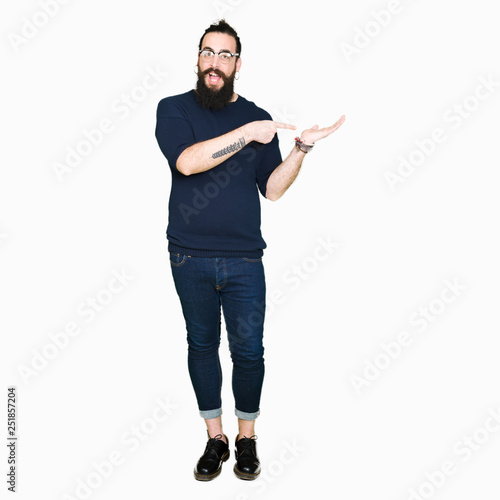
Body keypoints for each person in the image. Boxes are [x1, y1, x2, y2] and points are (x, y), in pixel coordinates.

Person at [155, 19, 345, 481]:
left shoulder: (258, 115)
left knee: (249, 352)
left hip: (244, 260)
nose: (214, 63)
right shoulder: (173, 109)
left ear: (238, 63)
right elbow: (187, 160)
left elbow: (273, 189)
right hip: (189, 256)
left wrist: (300, 148)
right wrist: (247, 134)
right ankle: (214, 438)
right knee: (201, 345)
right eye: (207, 53)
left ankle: (246, 438)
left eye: (225, 55)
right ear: (197, 58)